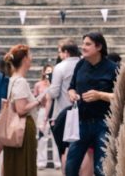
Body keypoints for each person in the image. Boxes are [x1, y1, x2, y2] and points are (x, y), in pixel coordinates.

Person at [66, 32, 118, 176]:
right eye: (83, 44)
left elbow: (122, 97)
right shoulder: (80, 64)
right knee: (71, 167)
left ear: (99, 46)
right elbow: (71, 87)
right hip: (81, 123)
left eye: (88, 44)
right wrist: (71, 93)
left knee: (101, 169)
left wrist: (100, 95)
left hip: (104, 124)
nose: (83, 47)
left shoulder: (113, 68)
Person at [2, 44, 40, 176]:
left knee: (15, 165)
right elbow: (21, 109)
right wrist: (38, 100)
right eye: (29, 56)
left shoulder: (13, 80)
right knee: (23, 165)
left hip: (16, 127)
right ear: (24, 59)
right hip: (23, 128)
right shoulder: (20, 81)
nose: (31, 59)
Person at [47, 39, 81, 171]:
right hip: (83, 111)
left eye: (60, 52)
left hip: (64, 112)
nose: (59, 55)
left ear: (66, 52)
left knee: (65, 149)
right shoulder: (83, 64)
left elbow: (54, 92)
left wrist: (49, 83)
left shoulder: (60, 67)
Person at [34, 64, 61, 170]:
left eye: (51, 71)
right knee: (42, 138)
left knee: (55, 138)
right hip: (42, 111)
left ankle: (57, 162)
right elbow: (35, 98)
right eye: (47, 71)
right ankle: (41, 162)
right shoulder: (38, 85)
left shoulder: (56, 84)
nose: (48, 73)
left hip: (54, 112)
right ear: (43, 72)